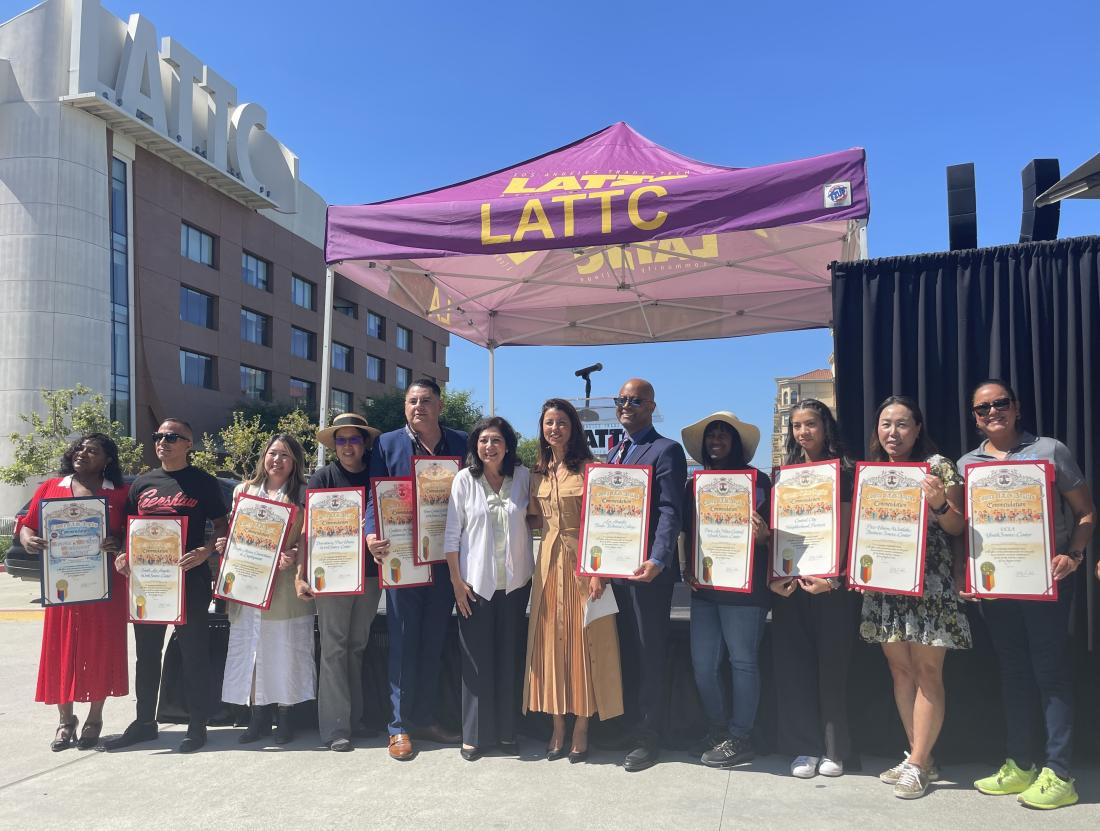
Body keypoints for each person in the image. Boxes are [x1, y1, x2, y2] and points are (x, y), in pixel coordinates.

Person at [959, 379, 1095, 810]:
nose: (992, 412)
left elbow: (1086, 512)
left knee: (1050, 674)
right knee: (1013, 673)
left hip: (1047, 581)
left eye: (1000, 404)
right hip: (999, 585)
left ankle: (1060, 773)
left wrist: (1073, 554)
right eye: (983, 408)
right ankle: (1021, 765)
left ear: (1016, 408)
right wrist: (971, 573)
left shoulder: (1051, 450)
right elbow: (968, 529)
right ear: (974, 417)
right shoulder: (967, 463)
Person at [857, 396, 971, 799]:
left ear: (918, 428)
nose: (893, 432)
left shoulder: (938, 466)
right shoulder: (871, 472)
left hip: (929, 585)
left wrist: (939, 500)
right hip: (886, 583)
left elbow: (957, 526)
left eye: (902, 424)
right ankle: (918, 757)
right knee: (900, 671)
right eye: (886, 424)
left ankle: (919, 763)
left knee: (927, 672)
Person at [106, 418, 228, 753]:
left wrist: (204, 552)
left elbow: (222, 526)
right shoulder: (143, 482)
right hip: (148, 583)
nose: (163, 441)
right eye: (158, 436)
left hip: (189, 579)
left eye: (172, 437)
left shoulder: (203, 483)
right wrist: (122, 554)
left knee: (193, 654)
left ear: (190, 443)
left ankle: (197, 724)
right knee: (147, 655)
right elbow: (125, 531)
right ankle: (144, 722)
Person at [366, 379, 467, 760]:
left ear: (439, 405)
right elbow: (374, 496)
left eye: (426, 400)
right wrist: (371, 533)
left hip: (446, 560)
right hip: (402, 559)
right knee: (404, 642)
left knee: (434, 641)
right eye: (412, 401)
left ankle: (424, 718)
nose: (418, 407)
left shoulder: (461, 443)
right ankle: (398, 727)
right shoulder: (387, 444)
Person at [523, 399, 623, 763]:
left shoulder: (590, 469)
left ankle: (581, 726)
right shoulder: (536, 471)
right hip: (547, 565)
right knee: (550, 647)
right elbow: (532, 520)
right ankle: (557, 725)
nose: (555, 428)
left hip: (583, 562)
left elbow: (604, 522)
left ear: (573, 427)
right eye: (549, 422)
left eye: (561, 422)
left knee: (584, 646)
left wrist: (598, 571)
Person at [16, 434, 130, 751]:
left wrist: (118, 541)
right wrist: (27, 538)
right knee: (62, 648)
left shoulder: (119, 493)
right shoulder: (51, 488)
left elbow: (130, 530)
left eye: (92, 451)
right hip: (63, 586)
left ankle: (95, 718)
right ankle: (66, 721)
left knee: (101, 648)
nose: (82, 453)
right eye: (79, 448)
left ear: (107, 460)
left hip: (105, 586)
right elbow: (27, 523)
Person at [768, 400, 856, 778]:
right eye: (797, 426)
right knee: (794, 669)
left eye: (811, 424)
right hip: (792, 586)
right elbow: (776, 533)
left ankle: (834, 750)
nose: (803, 432)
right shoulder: (783, 476)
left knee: (832, 671)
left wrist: (835, 579)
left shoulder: (848, 473)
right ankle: (803, 747)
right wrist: (774, 575)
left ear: (826, 427)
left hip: (832, 587)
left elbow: (854, 532)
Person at [681, 412, 772, 769]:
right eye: (711, 435)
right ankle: (718, 730)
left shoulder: (758, 481)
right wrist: (686, 565)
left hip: (745, 589)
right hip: (705, 586)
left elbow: (770, 536)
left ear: (737, 442)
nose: (716, 440)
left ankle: (741, 736)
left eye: (723, 435)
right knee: (703, 665)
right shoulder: (694, 483)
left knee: (743, 662)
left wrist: (764, 535)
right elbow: (687, 530)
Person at [608, 378, 687, 772]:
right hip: (616, 572)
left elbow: (671, 511)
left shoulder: (666, 450)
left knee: (648, 650)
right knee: (624, 649)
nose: (626, 405)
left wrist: (658, 559)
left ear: (651, 406)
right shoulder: (615, 452)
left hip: (647, 574)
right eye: (621, 400)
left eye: (635, 400)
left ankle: (648, 734)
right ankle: (629, 725)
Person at [444, 417, 534, 761]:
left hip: (514, 584)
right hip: (475, 585)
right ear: (475, 447)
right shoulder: (465, 481)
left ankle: (508, 731)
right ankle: (475, 734)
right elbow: (453, 534)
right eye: (483, 441)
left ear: (507, 445)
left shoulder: (523, 477)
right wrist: (456, 581)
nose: (489, 447)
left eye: (496, 440)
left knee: (508, 657)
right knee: (476, 661)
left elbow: (536, 517)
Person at [218, 435, 315, 746]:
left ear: (295, 463)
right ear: (264, 457)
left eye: (285, 455)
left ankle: (285, 717)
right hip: (249, 585)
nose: (277, 460)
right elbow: (236, 532)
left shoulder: (303, 494)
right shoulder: (243, 491)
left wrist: (295, 553)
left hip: (285, 588)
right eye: (273, 453)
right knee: (254, 653)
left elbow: (309, 538)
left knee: (284, 651)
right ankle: (258, 716)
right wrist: (225, 545)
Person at [299, 412, 381, 752]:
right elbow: (309, 530)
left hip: (370, 576)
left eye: (354, 439)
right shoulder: (322, 478)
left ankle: (354, 719)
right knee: (334, 648)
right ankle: (335, 729)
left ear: (364, 443)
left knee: (356, 647)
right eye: (342, 440)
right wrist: (301, 574)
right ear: (334, 445)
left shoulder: (378, 476)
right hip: (331, 575)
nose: (348, 446)